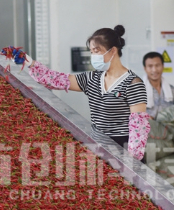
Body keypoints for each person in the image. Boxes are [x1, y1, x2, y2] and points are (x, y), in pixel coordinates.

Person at [21, 25, 151, 162]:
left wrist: (132, 163)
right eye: (91, 52)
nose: (93, 56)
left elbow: (139, 127)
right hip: (98, 150)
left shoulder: (133, 83)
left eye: (97, 51)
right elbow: (57, 80)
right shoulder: (92, 79)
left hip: (122, 149)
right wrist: (30, 63)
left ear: (113, 51)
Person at [141, 51, 174, 119]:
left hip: (168, 128)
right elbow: (132, 114)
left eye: (157, 65)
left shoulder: (171, 89)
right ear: (145, 68)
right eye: (150, 66)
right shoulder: (138, 90)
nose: (154, 70)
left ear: (163, 66)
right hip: (148, 128)